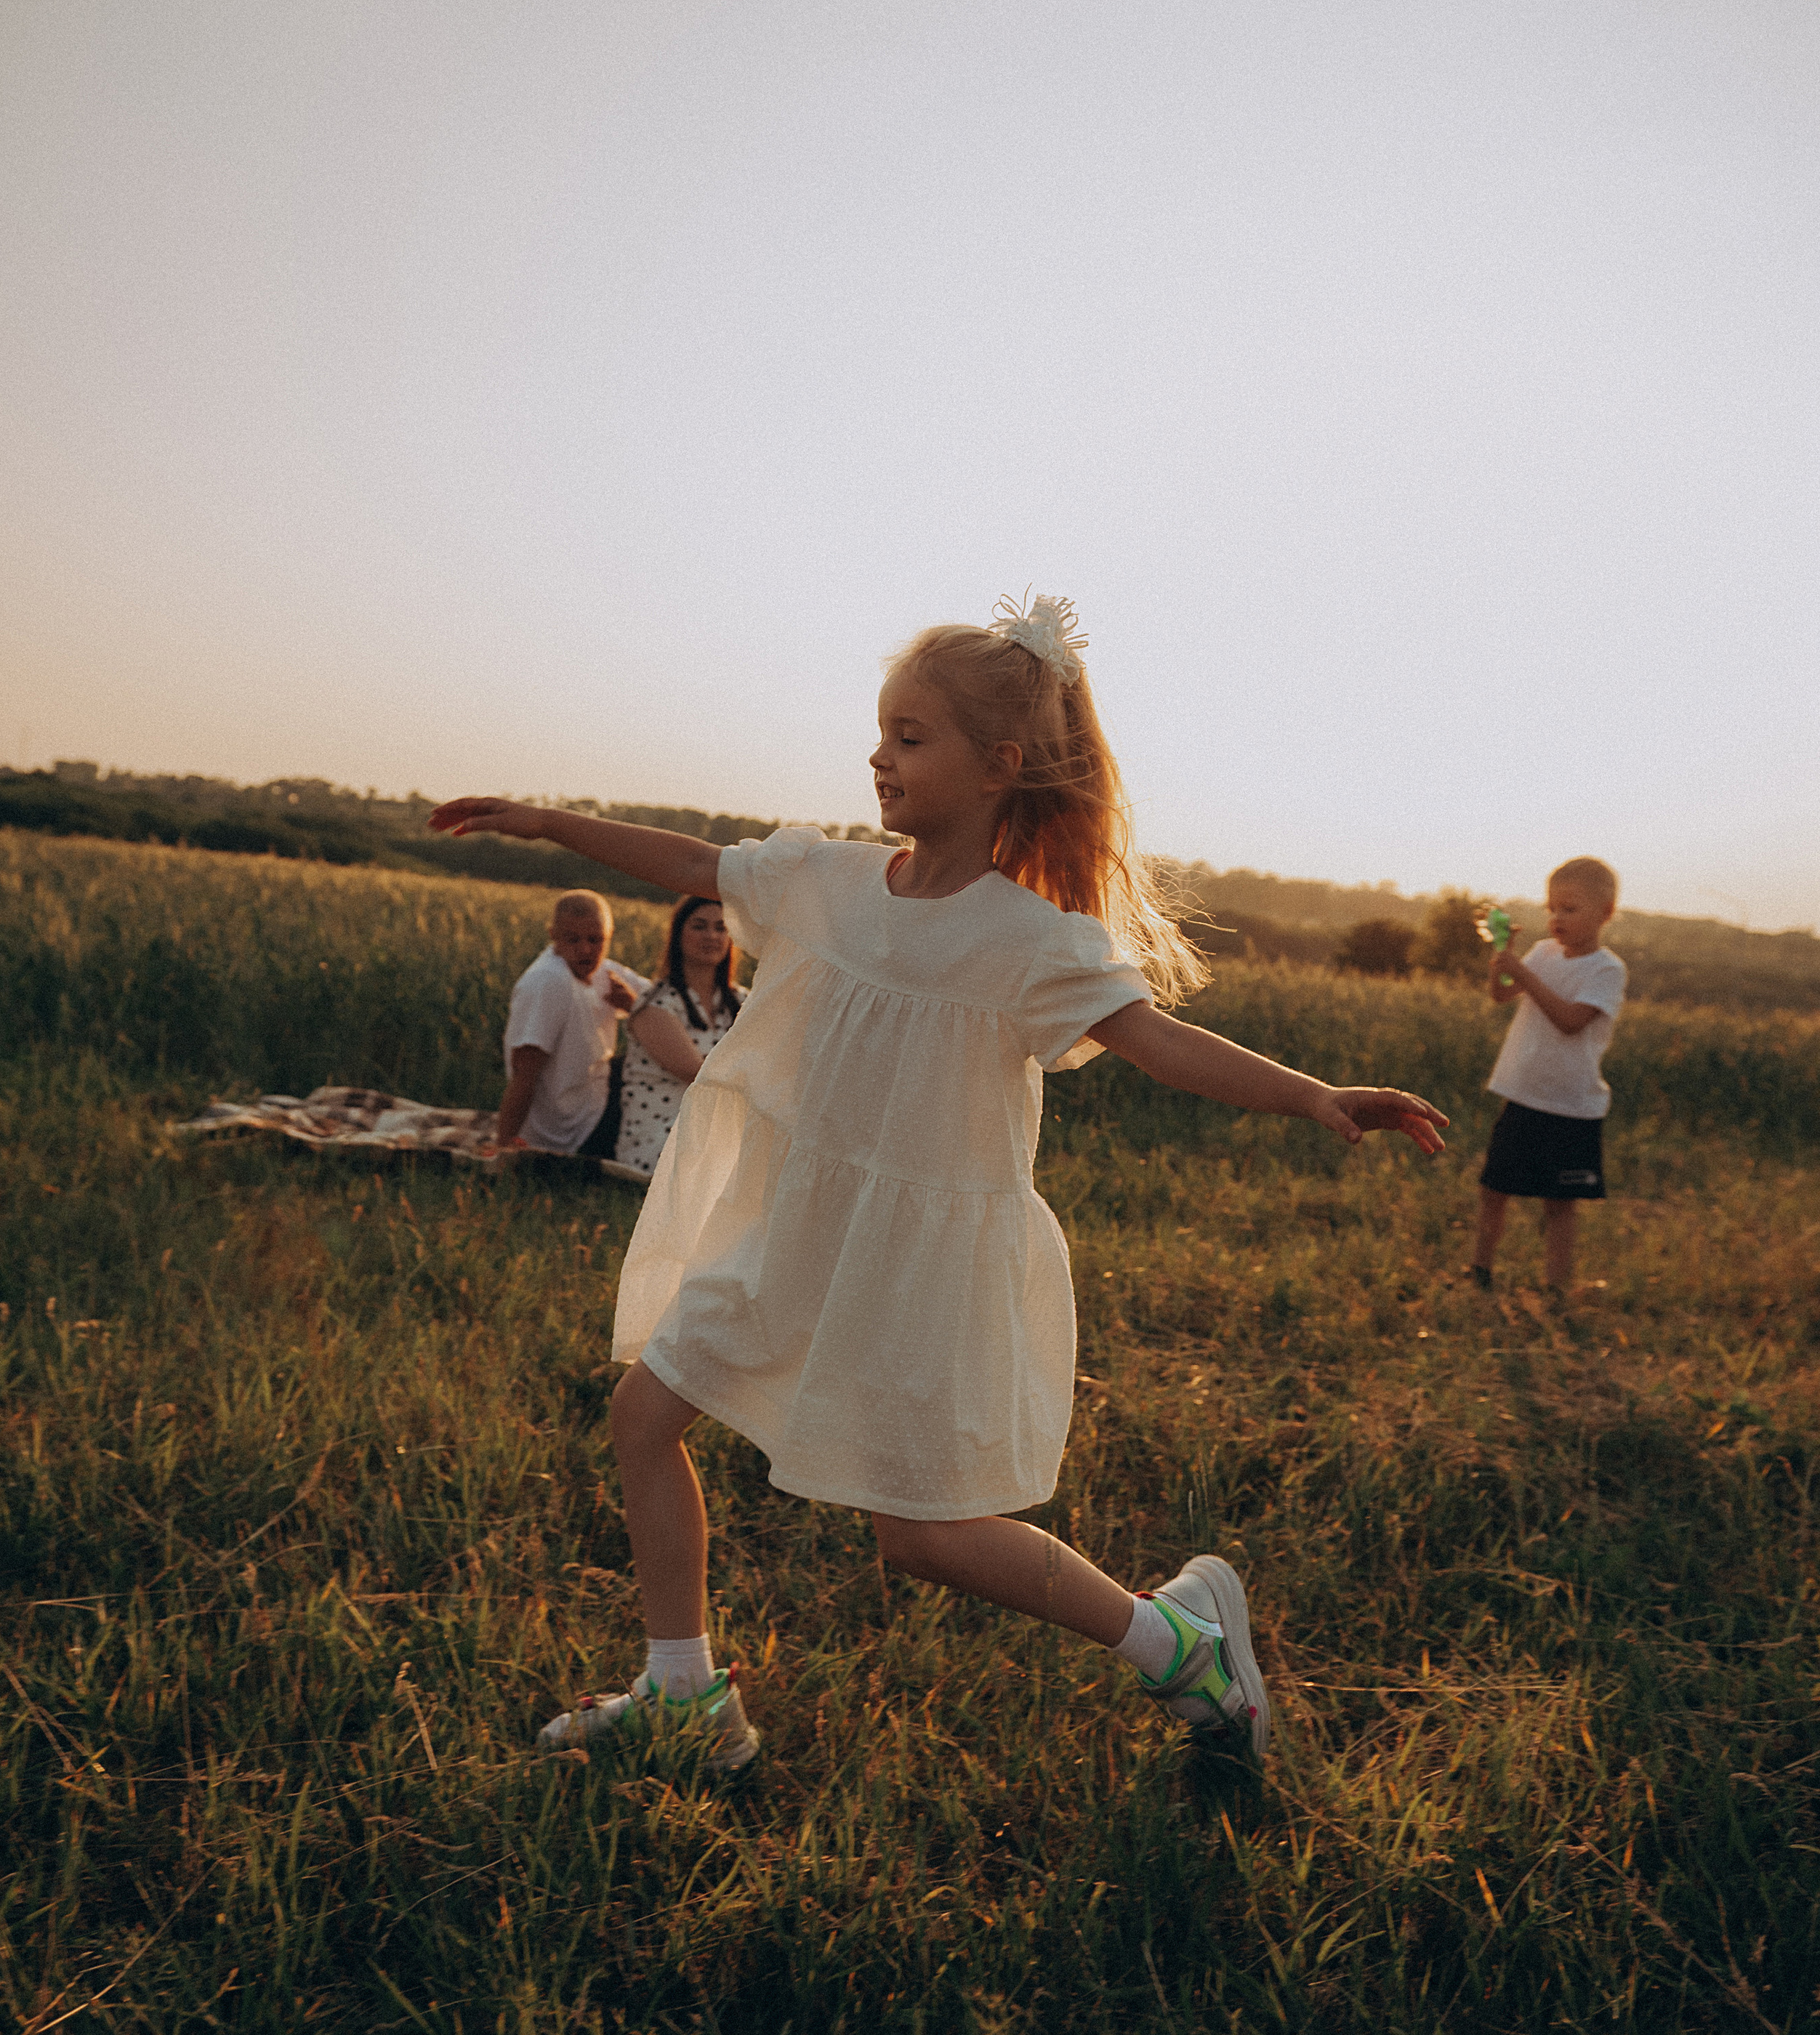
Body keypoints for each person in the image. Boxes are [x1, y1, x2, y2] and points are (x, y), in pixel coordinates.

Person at [431, 595, 1446, 1778]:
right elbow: (696, 866)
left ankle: (1178, 1645)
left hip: (914, 1268)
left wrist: (1312, 1093)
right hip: (796, 1232)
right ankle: (684, 1696)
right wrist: (547, 818)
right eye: (880, 732)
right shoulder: (831, 882)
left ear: (998, 766)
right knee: (646, 1415)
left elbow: (1160, 1041)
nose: (880, 756)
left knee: (922, 1536)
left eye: (912, 738)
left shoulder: (1031, 941)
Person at [1471, 858, 1626, 1296]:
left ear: (1605, 912)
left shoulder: (1606, 970)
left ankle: (1555, 1290)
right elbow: (1501, 994)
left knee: (1560, 1205)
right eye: (1552, 908)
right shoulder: (1541, 953)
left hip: (1571, 1107)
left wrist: (1523, 973)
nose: (1557, 919)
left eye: (1570, 909)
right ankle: (1481, 1272)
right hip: (1523, 1095)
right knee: (1493, 1190)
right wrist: (1502, 961)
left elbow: (1570, 1021)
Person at [498, 890, 650, 1159]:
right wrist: (504, 1146)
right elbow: (525, 1071)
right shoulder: (548, 982)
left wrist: (633, 1004)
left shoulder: (605, 972)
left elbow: (665, 1001)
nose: (585, 950)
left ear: (608, 937)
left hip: (594, 1099)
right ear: (553, 935)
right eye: (573, 939)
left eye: (595, 940)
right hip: (572, 1130)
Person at [616, 897, 745, 1179]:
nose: (711, 936)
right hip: (664, 1130)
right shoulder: (655, 1006)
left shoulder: (742, 1002)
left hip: (721, 1124)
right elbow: (702, 1075)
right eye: (699, 927)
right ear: (678, 936)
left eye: (721, 928)